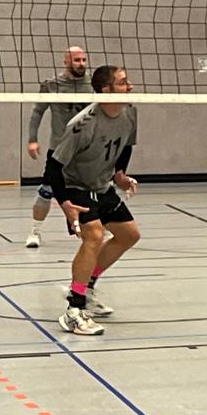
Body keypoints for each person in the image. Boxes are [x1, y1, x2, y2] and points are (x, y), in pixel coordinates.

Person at [48, 65, 140, 337]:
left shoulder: (130, 112)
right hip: (75, 185)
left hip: (102, 185)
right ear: (106, 90)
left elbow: (126, 145)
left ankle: (86, 287)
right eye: (123, 83)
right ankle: (74, 310)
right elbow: (53, 166)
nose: (130, 87)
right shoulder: (83, 124)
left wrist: (120, 174)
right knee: (94, 236)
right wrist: (64, 203)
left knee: (129, 235)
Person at [23, 46, 93, 248]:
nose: (81, 64)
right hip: (60, 149)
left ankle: (98, 227)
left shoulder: (93, 84)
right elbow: (37, 112)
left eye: (84, 60)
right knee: (47, 191)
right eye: (77, 60)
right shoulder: (52, 85)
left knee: (96, 189)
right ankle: (35, 232)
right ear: (66, 61)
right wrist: (32, 139)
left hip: (86, 149)